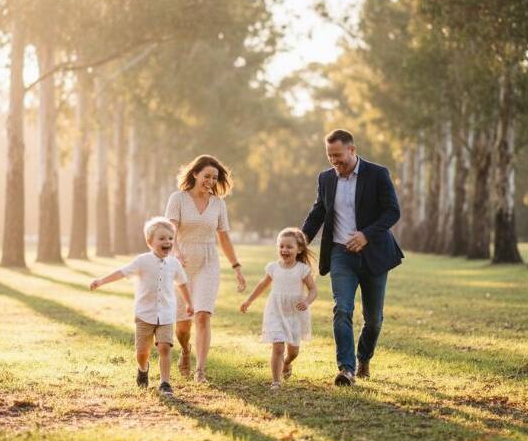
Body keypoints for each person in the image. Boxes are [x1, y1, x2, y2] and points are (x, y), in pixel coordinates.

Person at [301, 129, 403, 386]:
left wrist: (366, 235)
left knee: (374, 319)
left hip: (374, 254)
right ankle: (346, 369)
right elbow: (318, 212)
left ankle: (363, 358)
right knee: (342, 309)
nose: (334, 160)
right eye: (330, 155)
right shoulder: (326, 178)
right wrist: (300, 241)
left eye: (338, 155)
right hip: (340, 254)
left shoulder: (377, 174)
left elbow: (392, 212)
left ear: (352, 150)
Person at [89, 217, 193, 397]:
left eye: (170, 238)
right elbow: (121, 272)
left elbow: (182, 283)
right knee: (142, 352)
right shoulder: (142, 261)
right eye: (162, 238)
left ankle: (165, 383)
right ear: (149, 242)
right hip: (145, 315)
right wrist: (101, 281)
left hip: (166, 314)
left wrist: (189, 303)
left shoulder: (174, 263)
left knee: (165, 347)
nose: (167, 242)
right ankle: (143, 369)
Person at [165, 155, 246, 383]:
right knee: (182, 325)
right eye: (206, 176)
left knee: (202, 315)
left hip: (208, 262)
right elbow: (171, 230)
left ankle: (200, 370)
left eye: (214, 178)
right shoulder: (178, 199)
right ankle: (185, 350)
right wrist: (175, 251)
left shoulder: (218, 204)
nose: (210, 181)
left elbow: (224, 238)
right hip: (182, 263)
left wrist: (236, 267)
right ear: (195, 174)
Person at [240, 228, 317, 390]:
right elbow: (262, 285)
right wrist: (249, 300)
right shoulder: (273, 267)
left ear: (299, 249)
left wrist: (307, 301)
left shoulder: (302, 269)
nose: (284, 250)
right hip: (276, 312)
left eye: (289, 247)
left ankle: (287, 362)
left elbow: (313, 290)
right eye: (281, 246)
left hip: (295, 313)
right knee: (278, 347)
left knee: (293, 352)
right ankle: (276, 381)